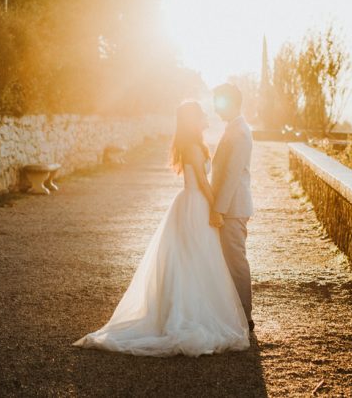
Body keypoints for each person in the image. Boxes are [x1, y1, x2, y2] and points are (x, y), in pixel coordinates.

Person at [72, 101, 249, 357]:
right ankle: (187, 314)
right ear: (192, 120)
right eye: (200, 115)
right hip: (196, 204)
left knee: (189, 259)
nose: (205, 118)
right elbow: (201, 183)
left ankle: (183, 309)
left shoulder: (189, 144)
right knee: (195, 258)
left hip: (189, 203)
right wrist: (216, 210)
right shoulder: (192, 147)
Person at [210, 82, 255, 330]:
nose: (216, 109)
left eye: (219, 103)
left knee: (236, 262)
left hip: (233, 209)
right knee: (228, 261)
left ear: (232, 103)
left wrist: (219, 209)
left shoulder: (240, 131)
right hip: (230, 207)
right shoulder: (234, 128)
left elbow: (232, 175)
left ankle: (245, 318)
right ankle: (234, 314)